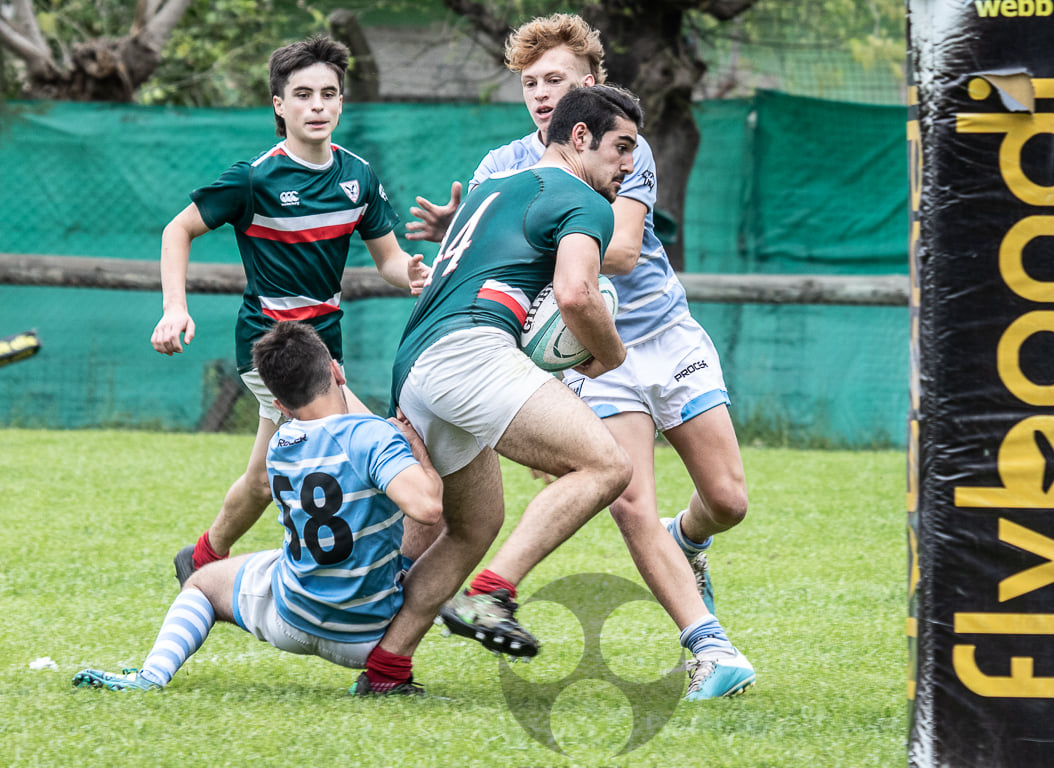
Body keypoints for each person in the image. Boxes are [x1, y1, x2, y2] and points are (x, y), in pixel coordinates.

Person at [406, 14, 754, 701]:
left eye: (556, 79)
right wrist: (455, 247)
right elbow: (487, 268)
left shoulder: (623, 145)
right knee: (627, 498)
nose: (541, 93)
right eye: (530, 82)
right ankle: (709, 649)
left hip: (659, 331)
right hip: (587, 347)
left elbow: (620, 251)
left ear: (588, 88)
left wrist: (536, 233)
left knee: (728, 500)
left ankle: (687, 541)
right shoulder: (497, 168)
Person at [352, 85, 637, 692]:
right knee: (608, 465)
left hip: (416, 363)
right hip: (470, 351)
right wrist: (607, 355)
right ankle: (491, 596)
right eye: (621, 147)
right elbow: (577, 295)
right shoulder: (584, 198)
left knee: (474, 524)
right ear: (580, 138)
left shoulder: (491, 188)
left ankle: (386, 665)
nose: (628, 165)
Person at [151, 34, 426, 587]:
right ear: (279, 105)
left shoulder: (358, 176)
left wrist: (413, 274)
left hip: (326, 346)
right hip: (270, 347)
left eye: (329, 93)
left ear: (342, 102)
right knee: (371, 446)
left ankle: (204, 559)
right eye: (303, 94)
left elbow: (390, 260)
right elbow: (177, 229)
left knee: (261, 475)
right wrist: (173, 309)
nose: (318, 105)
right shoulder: (254, 177)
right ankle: (390, 578)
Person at [73, 321, 442, 694]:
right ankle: (390, 660)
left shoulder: (281, 443)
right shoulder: (375, 435)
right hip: (370, 633)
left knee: (201, 583)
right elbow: (427, 509)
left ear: (279, 405)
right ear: (336, 370)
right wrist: (418, 453)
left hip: (292, 614)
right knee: (436, 523)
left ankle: (151, 677)